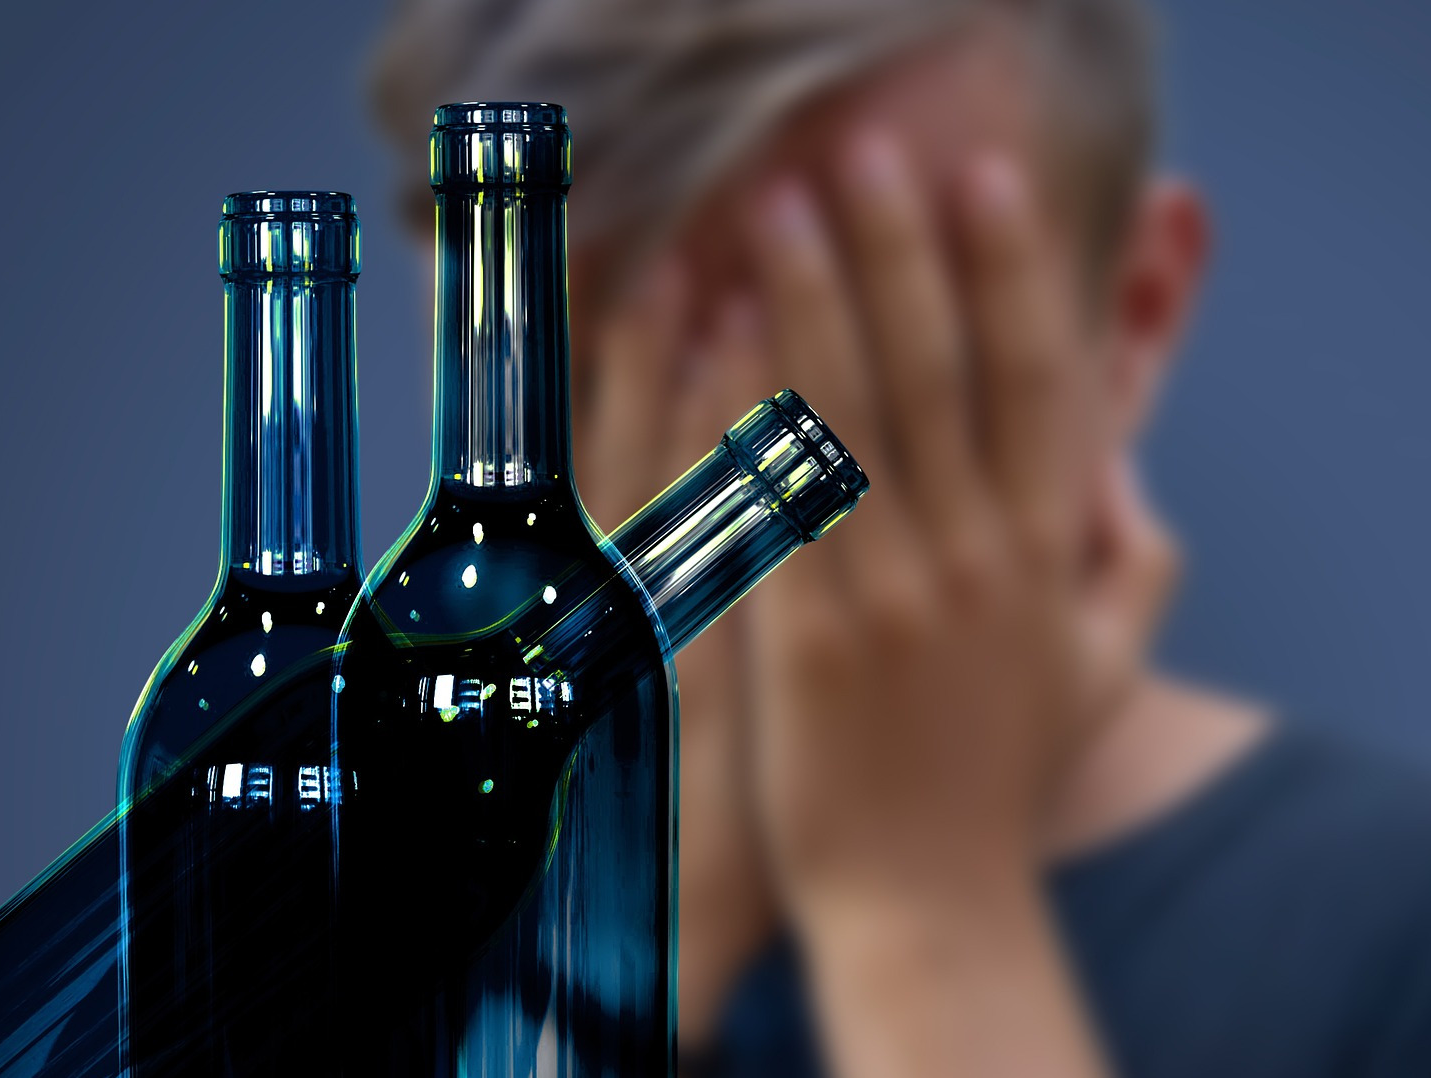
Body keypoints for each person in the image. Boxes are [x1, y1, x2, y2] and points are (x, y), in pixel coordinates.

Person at [369, 1, 1431, 1076]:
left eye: (877, 363)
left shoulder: (1388, 936)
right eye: (605, 387)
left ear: (1135, 315)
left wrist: (925, 907)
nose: (735, 527)